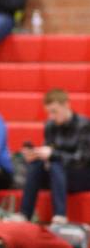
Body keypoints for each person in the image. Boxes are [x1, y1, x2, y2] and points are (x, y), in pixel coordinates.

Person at [19, 88, 90, 223]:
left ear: (66, 105)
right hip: (57, 176)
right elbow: (48, 154)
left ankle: (60, 215)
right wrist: (35, 155)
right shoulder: (50, 125)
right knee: (36, 165)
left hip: (81, 176)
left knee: (56, 163)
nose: (51, 116)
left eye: (54, 112)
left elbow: (83, 159)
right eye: (49, 112)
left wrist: (53, 155)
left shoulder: (84, 125)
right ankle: (24, 214)